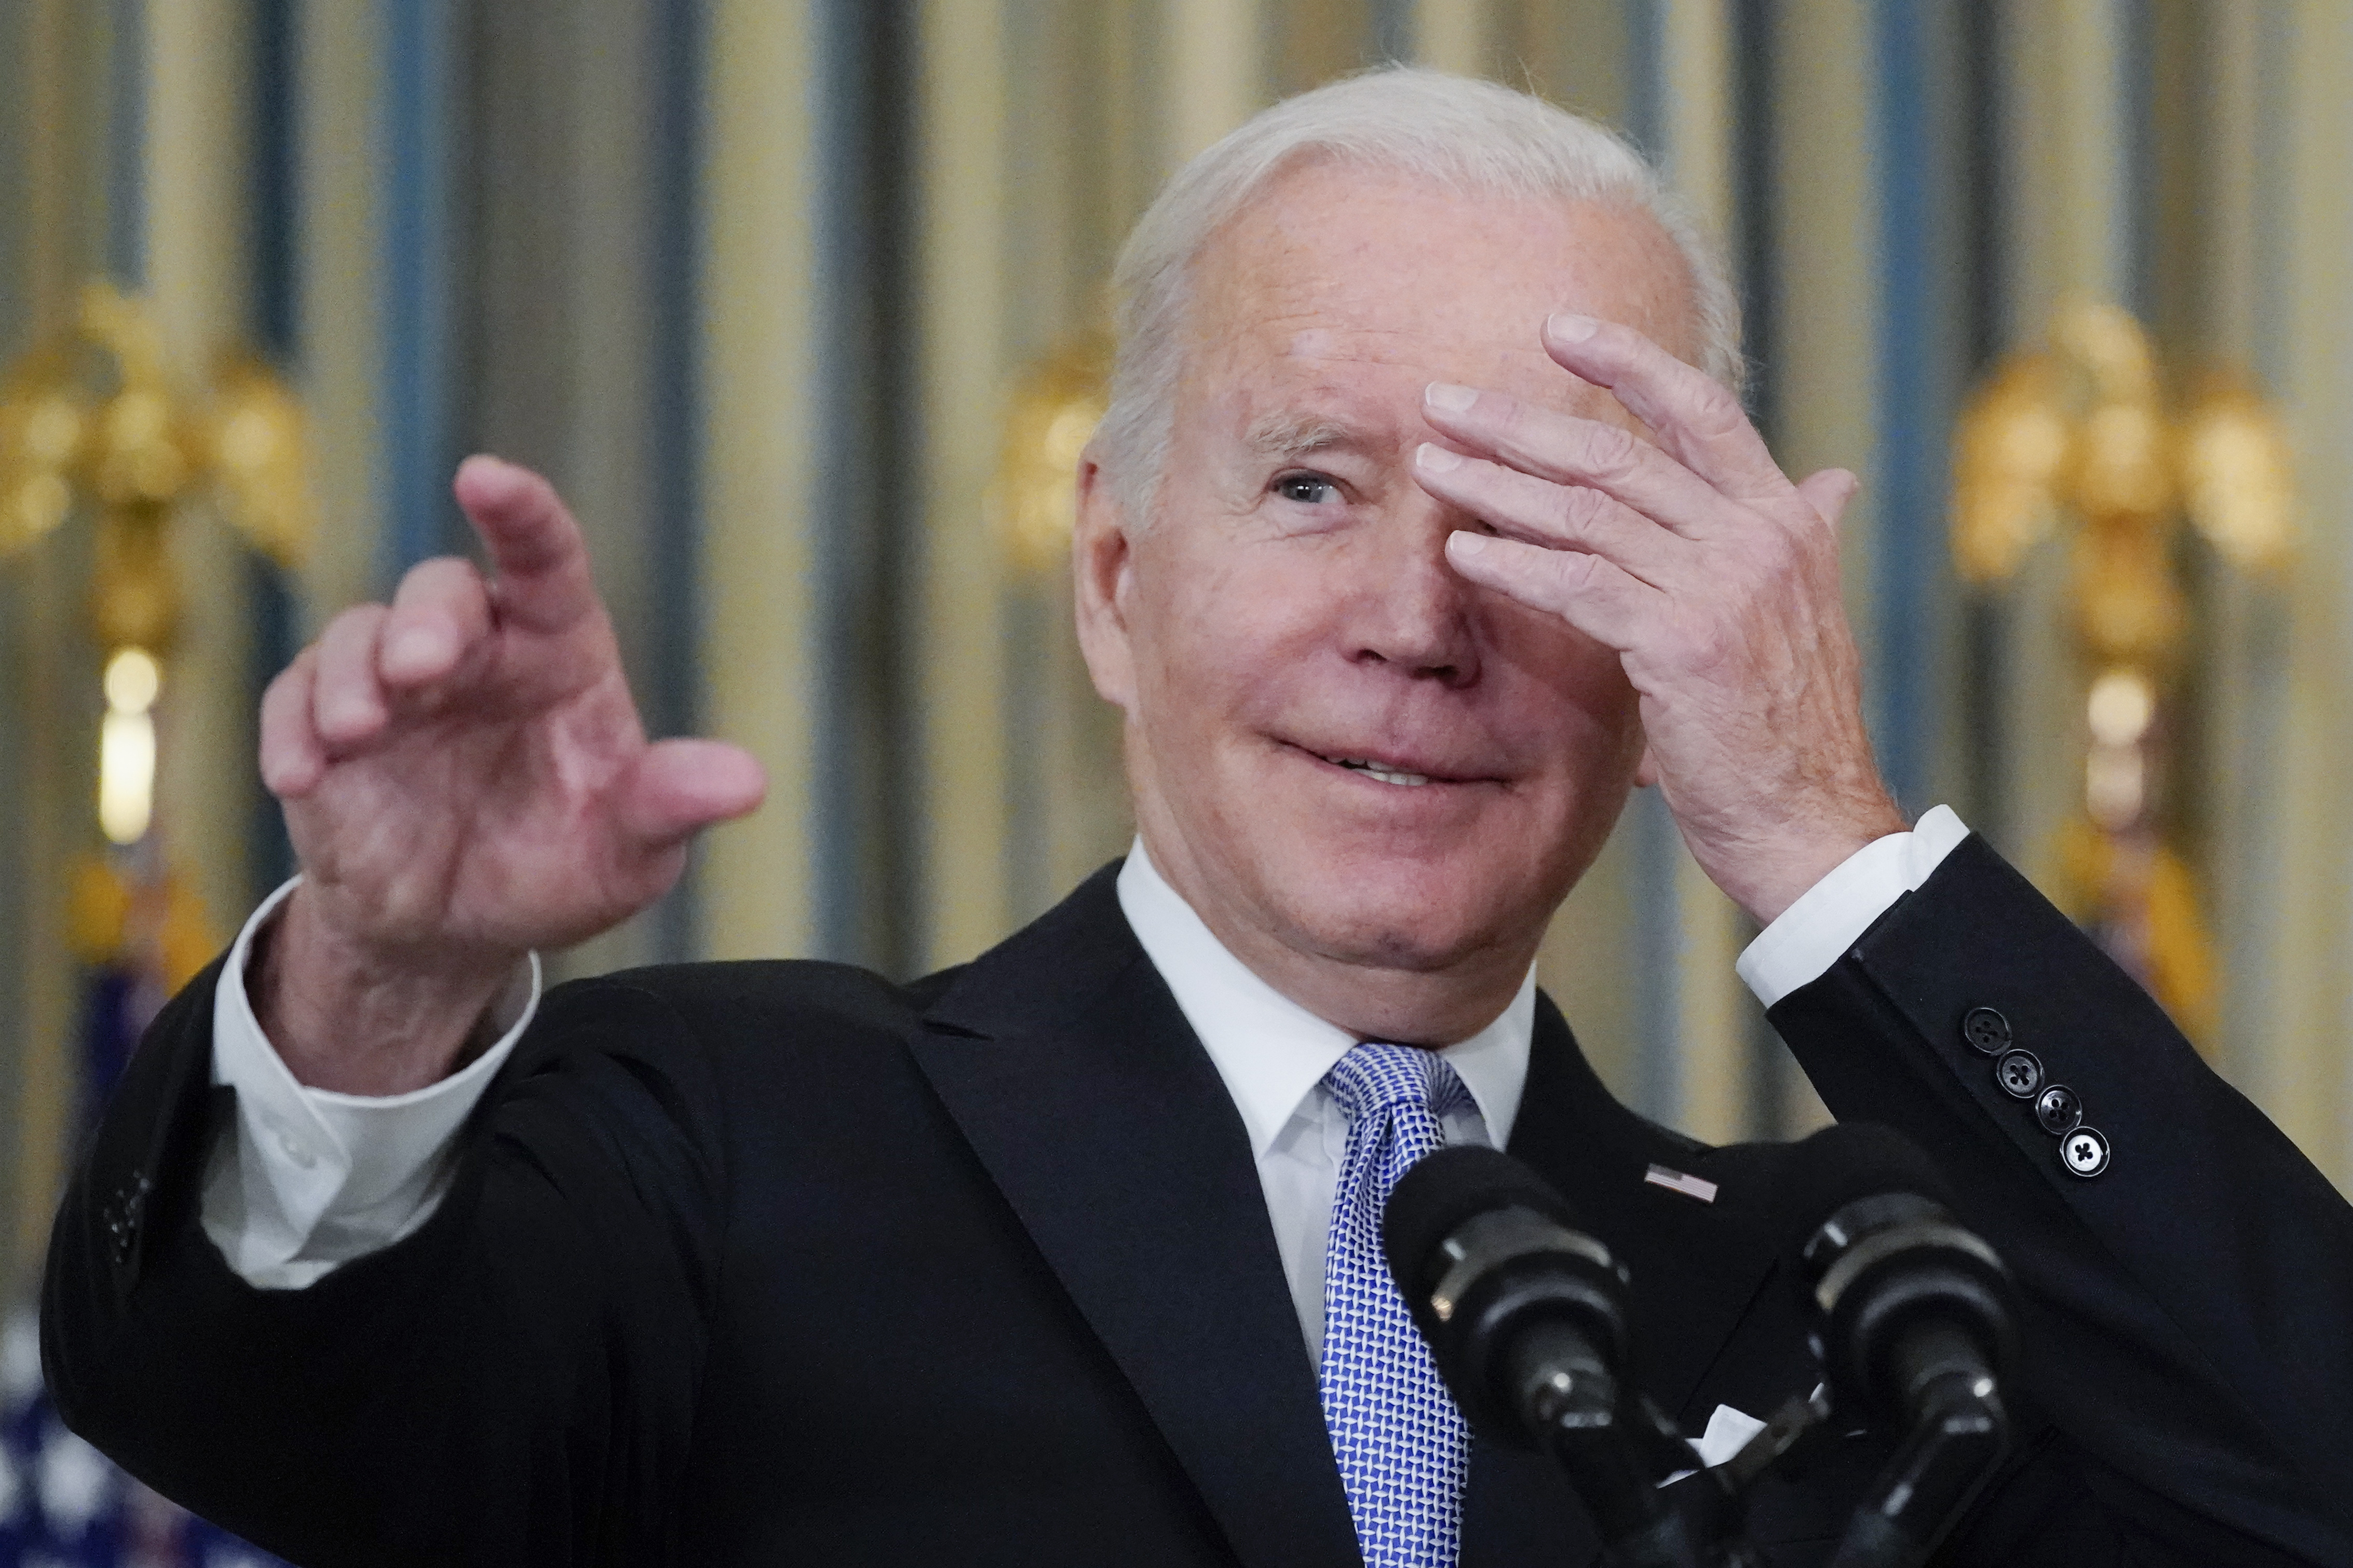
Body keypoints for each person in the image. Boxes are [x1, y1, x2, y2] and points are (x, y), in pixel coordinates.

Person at [42, 69, 2352, 1568]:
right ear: (1118, 573)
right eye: (1312, 485)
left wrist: (1830, 839)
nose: (1415, 623)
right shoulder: (722, 1145)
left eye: (1535, 524)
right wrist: (379, 981)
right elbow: (250, 1404)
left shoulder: (1848, 1302)